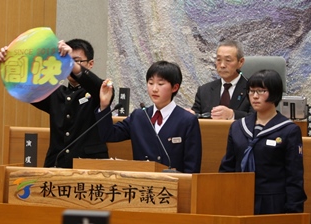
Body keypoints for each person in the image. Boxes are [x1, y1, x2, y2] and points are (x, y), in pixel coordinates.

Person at [0, 39, 110, 168]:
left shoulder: (100, 91)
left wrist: (72, 65)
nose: (70, 65)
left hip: (90, 169)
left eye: (77, 60)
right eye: (67, 60)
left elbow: (98, 87)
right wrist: (9, 63)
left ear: (90, 64)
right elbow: (27, 88)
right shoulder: (56, 93)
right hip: (57, 167)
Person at [219, 69, 307, 214]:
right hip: (239, 197)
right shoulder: (238, 127)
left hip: (273, 202)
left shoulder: (288, 130)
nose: (254, 96)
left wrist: (293, 212)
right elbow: (227, 167)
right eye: (251, 91)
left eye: (261, 91)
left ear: (274, 93)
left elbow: (294, 176)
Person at [96, 60, 202, 173]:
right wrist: (104, 105)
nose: (154, 89)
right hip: (143, 184)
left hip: (173, 185)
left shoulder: (187, 120)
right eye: (151, 83)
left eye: (160, 84)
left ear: (175, 87)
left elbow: (192, 166)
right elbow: (108, 135)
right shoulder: (139, 116)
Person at [190, 40, 253, 120]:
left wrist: (232, 115)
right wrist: (190, 116)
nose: (222, 65)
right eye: (219, 60)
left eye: (228, 60)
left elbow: (259, 118)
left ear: (240, 62)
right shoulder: (204, 90)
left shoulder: (252, 89)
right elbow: (196, 116)